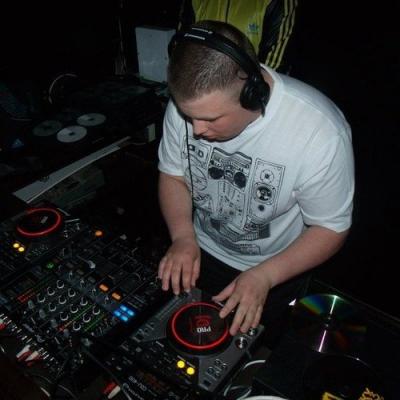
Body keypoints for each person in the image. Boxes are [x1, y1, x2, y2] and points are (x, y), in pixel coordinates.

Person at [157, 20, 354, 337]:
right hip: (199, 249)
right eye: (187, 116)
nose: (196, 130)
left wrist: (266, 275)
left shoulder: (320, 132)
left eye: (210, 119)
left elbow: (330, 227)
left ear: (252, 93)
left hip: (277, 267)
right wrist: (182, 236)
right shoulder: (189, 108)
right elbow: (173, 174)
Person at [178, 0, 299, 73]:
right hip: (198, 84)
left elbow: (275, 61)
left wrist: (253, 91)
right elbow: (181, 45)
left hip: (244, 90)